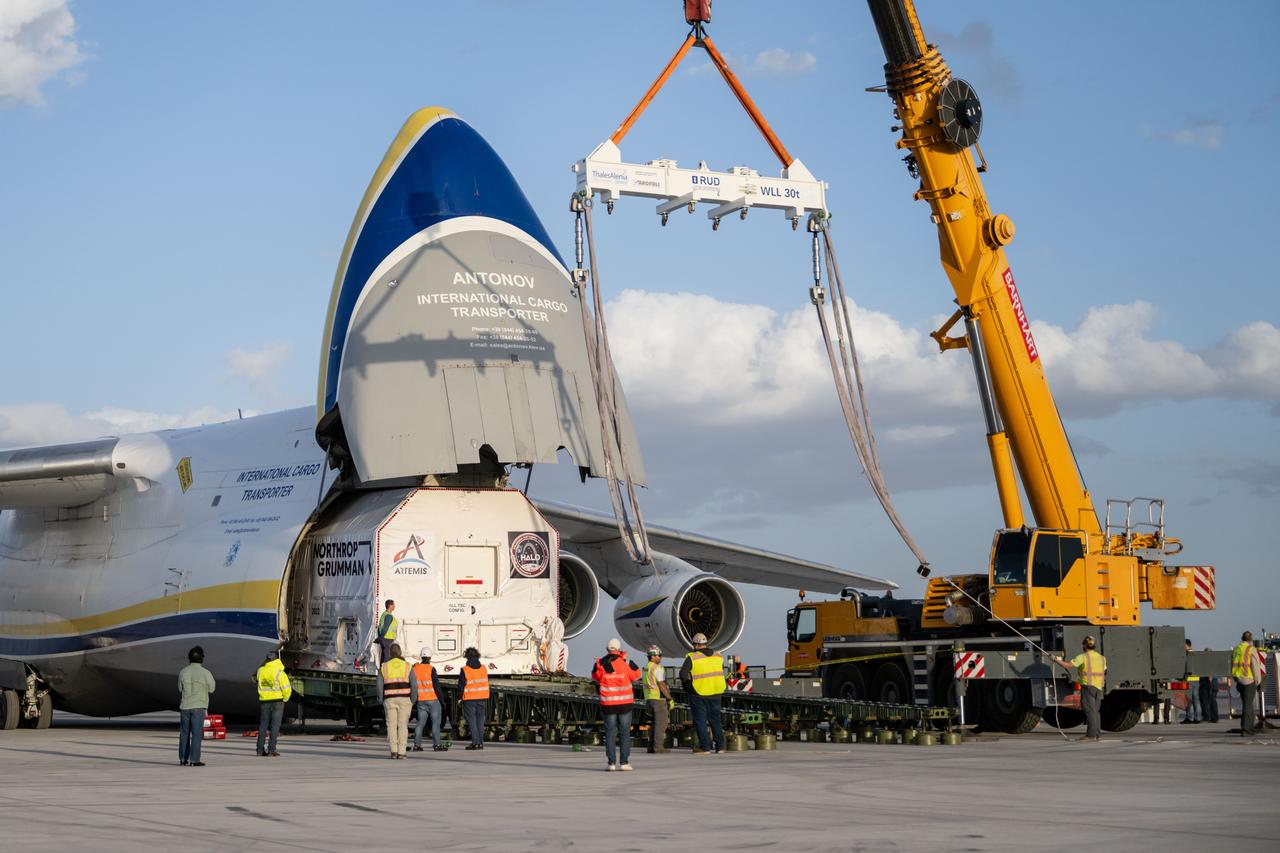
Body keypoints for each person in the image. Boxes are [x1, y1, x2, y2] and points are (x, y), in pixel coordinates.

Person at [592, 638, 641, 771]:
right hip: (625, 704)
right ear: (619, 649)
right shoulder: (626, 662)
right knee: (625, 733)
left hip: (608, 705)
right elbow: (637, 675)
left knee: (610, 734)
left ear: (607, 649)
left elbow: (595, 676)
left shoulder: (600, 663)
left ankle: (611, 763)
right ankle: (624, 763)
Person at [1053, 636, 1106, 742]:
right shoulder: (1102, 657)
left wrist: (1056, 660)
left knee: (1089, 711)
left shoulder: (1083, 657)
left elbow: (1067, 665)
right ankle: (1097, 734)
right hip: (1099, 687)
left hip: (1088, 686)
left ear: (1085, 645)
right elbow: (1104, 670)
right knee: (1096, 711)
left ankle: (1091, 735)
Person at [680, 633, 726, 755]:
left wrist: (689, 688)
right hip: (716, 692)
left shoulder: (692, 657)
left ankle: (705, 747)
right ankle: (720, 747)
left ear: (695, 645)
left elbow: (682, 675)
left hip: (699, 692)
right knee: (715, 720)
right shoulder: (718, 656)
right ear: (706, 643)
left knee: (700, 721)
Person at [178, 645, 215, 767]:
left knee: (184, 733)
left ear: (189, 658)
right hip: (198, 707)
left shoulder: (183, 671)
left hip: (185, 706)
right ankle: (194, 760)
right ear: (202, 658)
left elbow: (179, 689)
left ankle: (183, 759)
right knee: (196, 734)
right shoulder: (206, 673)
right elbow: (212, 689)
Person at [255, 650, 291, 757]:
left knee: (263, 725)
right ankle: (271, 750)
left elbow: (258, 681)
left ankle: (259, 750)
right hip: (278, 701)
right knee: (275, 726)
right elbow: (287, 689)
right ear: (277, 659)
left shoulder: (260, 670)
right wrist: (285, 699)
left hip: (264, 701)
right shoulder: (280, 672)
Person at [378, 643, 412, 759]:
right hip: (404, 700)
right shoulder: (408, 666)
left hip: (390, 699)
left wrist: (381, 699)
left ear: (390, 653)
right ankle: (402, 752)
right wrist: (412, 700)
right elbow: (414, 685)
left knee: (391, 726)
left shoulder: (384, 667)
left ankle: (393, 751)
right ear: (400, 653)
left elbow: (379, 685)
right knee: (403, 726)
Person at [410, 646, 445, 752]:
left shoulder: (415, 669)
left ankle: (417, 745)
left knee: (420, 723)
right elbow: (436, 686)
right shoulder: (431, 669)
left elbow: (412, 685)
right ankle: (436, 745)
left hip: (421, 701)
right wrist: (442, 701)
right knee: (435, 723)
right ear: (430, 657)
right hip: (433, 700)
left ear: (421, 657)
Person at [1231, 630, 1263, 736]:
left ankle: (1250, 727)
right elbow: (1255, 666)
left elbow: (1232, 664)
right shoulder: (1251, 649)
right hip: (1249, 680)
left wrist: (1235, 678)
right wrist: (1258, 680)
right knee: (1248, 706)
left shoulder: (1236, 649)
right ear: (1251, 640)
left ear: (1242, 638)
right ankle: (1245, 729)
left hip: (1239, 680)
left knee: (1247, 705)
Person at [643, 645, 674, 754]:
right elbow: (661, 684)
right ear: (653, 656)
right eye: (659, 655)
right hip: (658, 699)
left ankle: (651, 747)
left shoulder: (647, 667)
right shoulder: (657, 668)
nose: (661, 657)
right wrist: (669, 698)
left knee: (653, 724)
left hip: (649, 699)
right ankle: (658, 747)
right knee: (661, 724)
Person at [458, 647, 489, 750]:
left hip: (470, 699)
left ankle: (475, 742)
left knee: (472, 721)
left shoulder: (465, 670)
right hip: (482, 697)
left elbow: (461, 685)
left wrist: (459, 698)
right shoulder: (483, 668)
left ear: (467, 657)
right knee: (480, 721)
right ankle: (480, 743)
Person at [1199, 648, 1220, 723]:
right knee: (1212, 700)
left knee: (1208, 700)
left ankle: (1207, 717)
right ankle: (1213, 717)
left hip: (1209, 682)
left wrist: (1209, 679)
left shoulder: (1208, 661)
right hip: (1213, 682)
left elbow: (1209, 672)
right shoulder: (1214, 661)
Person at [1182, 639, 1201, 724]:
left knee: (1188, 701)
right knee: (1196, 701)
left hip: (1189, 681)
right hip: (1196, 680)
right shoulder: (1196, 655)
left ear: (1187, 645)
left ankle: (1189, 717)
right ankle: (1198, 718)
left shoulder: (1187, 655)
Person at [376, 600, 398, 664]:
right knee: (387, 657)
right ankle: (386, 672)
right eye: (393, 605)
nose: (394, 606)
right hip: (387, 639)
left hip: (385, 638)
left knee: (384, 656)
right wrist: (381, 637)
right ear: (390, 606)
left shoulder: (384, 614)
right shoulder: (388, 616)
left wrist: (380, 637)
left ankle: (382, 670)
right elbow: (385, 628)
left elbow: (380, 627)